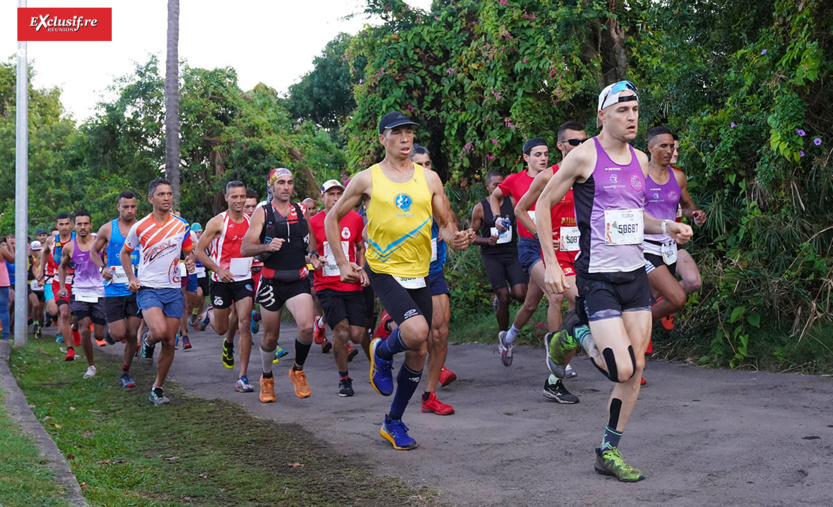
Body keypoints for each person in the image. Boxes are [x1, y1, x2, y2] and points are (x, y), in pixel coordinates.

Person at [538, 81, 693, 481]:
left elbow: (635, 216)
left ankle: (608, 451)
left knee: (636, 367)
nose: (631, 117)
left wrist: (666, 225)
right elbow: (541, 205)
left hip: (634, 275)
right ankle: (573, 335)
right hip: (599, 277)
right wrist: (552, 264)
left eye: (636, 110)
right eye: (623, 110)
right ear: (602, 115)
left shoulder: (641, 160)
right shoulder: (584, 156)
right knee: (619, 369)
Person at [325, 111, 473, 450]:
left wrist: (456, 238)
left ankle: (393, 421)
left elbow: (446, 223)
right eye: (397, 133)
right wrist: (343, 261)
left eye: (409, 132)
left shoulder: (430, 178)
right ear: (383, 139)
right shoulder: (367, 179)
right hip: (383, 269)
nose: (405, 138)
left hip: (420, 271)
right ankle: (382, 349)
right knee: (418, 332)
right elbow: (333, 217)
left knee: (420, 349)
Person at [514, 121, 589, 402]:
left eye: (584, 142)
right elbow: (521, 209)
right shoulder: (548, 176)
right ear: (561, 146)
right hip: (554, 255)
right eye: (574, 143)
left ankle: (554, 378)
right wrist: (541, 236)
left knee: (576, 311)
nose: (580, 148)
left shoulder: (589, 174)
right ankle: (555, 347)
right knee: (579, 300)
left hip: (582, 254)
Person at [241, 168, 322, 404]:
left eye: (290, 183)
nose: (286, 187)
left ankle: (297, 369)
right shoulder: (262, 212)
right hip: (271, 282)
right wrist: (267, 247)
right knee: (270, 337)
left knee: (307, 328)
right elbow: (246, 248)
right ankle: (266, 377)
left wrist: (314, 254)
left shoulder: (300, 209)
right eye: (281, 183)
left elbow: (309, 237)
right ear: (272, 187)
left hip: (297, 280)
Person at [488, 138, 562, 366]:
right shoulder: (515, 180)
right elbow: (494, 197)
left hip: (555, 246)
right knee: (556, 296)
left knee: (530, 304)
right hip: (531, 247)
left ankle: (507, 338)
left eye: (546, 154)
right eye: (537, 154)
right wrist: (497, 218)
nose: (543, 158)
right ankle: (559, 357)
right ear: (526, 158)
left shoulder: (557, 176)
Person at [123, 178, 194, 405]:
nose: (166, 198)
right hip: (148, 287)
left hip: (173, 288)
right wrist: (132, 278)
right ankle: (146, 342)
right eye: (161, 194)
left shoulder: (181, 225)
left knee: (170, 341)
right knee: (160, 331)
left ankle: (157, 388)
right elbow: (125, 253)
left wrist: (190, 261)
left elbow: (188, 252)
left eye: (169, 194)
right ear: (151, 198)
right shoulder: (140, 226)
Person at [195, 181, 256, 393]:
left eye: (242, 196)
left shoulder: (252, 221)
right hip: (221, 281)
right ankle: (210, 313)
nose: (239, 201)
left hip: (244, 279)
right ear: (227, 198)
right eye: (235, 197)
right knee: (221, 328)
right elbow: (199, 252)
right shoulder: (217, 222)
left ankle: (243, 377)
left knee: (245, 322)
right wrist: (218, 270)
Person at [410, 145, 458, 415]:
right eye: (420, 165)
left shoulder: (438, 194)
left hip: (432, 270)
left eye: (428, 164)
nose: (426, 170)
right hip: (403, 273)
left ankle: (429, 396)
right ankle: (386, 333)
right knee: (417, 339)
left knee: (440, 332)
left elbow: (449, 226)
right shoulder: (396, 195)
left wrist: (456, 238)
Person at [308, 179, 367, 396]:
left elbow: (361, 247)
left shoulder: (355, 218)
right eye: (330, 194)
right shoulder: (314, 221)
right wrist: (314, 260)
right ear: (322, 197)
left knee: (358, 335)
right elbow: (312, 251)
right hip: (327, 285)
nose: (334, 198)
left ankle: (320, 323)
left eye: (338, 194)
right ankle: (344, 378)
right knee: (341, 332)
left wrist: (361, 269)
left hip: (351, 284)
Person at [643, 126, 706, 322]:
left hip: (669, 248)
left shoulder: (678, 177)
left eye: (671, 146)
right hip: (644, 247)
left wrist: (695, 215)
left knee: (648, 301)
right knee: (677, 298)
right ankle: (632, 327)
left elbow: (686, 205)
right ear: (650, 148)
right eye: (663, 146)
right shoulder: (639, 176)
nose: (669, 151)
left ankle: (630, 331)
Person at [91, 191, 143, 388]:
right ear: (118, 208)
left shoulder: (143, 227)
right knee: (120, 333)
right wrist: (101, 268)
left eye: (133, 206)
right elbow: (93, 252)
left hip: (136, 288)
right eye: (125, 207)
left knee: (132, 333)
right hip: (113, 289)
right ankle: (110, 334)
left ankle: (125, 371)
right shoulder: (107, 229)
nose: (129, 210)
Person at [470, 171, 527, 338]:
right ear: (487, 187)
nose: (499, 187)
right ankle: (503, 335)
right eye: (495, 185)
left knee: (521, 294)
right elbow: (472, 236)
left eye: (502, 184)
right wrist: (487, 240)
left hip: (511, 253)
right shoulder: (480, 208)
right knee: (503, 298)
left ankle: (505, 291)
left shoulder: (512, 202)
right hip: (492, 256)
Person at [58, 211, 107, 379]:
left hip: (100, 291)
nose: (83, 227)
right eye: (79, 224)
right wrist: (63, 286)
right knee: (85, 329)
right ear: (74, 226)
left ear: (91, 225)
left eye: (86, 224)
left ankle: (97, 333)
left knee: (99, 334)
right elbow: (62, 266)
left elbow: (109, 261)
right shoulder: (69, 247)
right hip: (80, 291)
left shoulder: (99, 243)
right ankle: (91, 366)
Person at [41, 214, 80, 359]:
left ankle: (75, 328)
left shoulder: (77, 238)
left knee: (78, 315)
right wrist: (41, 271)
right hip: (59, 280)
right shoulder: (51, 240)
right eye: (61, 224)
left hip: (78, 280)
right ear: (56, 225)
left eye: (66, 224)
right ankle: (70, 349)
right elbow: (45, 252)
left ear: (71, 225)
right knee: (63, 313)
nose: (64, 227)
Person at [28, 241, 46, 337]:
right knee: (35, 305)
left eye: (38, 250)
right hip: (31, 285)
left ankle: (39, 326)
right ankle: (35, 324)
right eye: (34, 250)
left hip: (43, 286)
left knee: (41, 310)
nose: (36, 252)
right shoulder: (28, 259)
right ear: (30, 250)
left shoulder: (45, 257)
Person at [0, 237, 12, 340]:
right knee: (3, 310)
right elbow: (12, 259)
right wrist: (10, 245)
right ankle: (5, 335)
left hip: (3, 282)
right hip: (2, 282)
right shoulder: (1, 249)